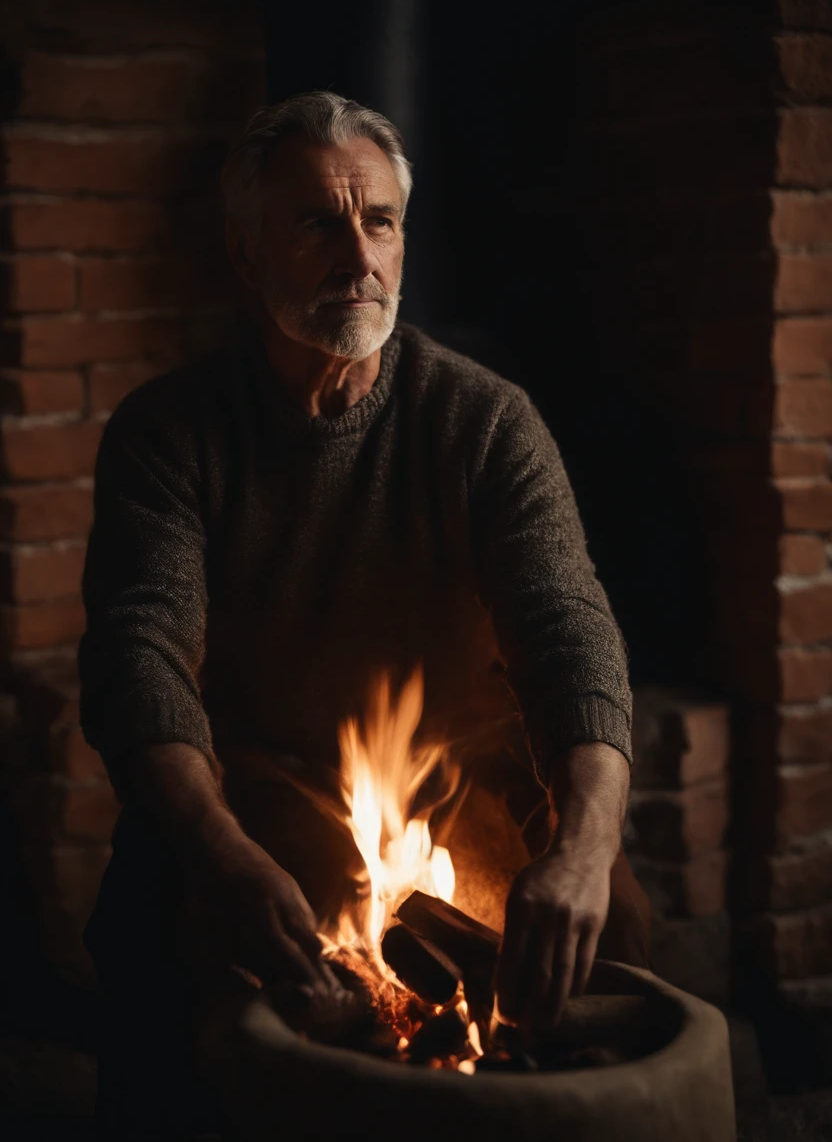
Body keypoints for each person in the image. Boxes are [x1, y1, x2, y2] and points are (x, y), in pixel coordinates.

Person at [80, 91, 649, 1137]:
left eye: (378, 220)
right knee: (163, 937)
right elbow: (138, 658)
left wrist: (581, 844)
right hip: (256, 798)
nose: (359, 254)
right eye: (316, 222)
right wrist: (218, 849)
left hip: (464, 792)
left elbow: (570, 632)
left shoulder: (484, 419)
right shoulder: (167, 434)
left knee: (612, 932)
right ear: (244, 252)